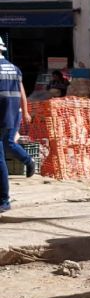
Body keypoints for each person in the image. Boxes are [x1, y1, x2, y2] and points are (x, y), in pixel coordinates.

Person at [0, 37, 35, 213]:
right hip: (14, 114)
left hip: (2, 116)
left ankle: (4, 200)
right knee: (9, 144)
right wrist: (25, 111)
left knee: (2, 154)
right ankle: (28, 161)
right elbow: (21, 92)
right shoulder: (15, 69)